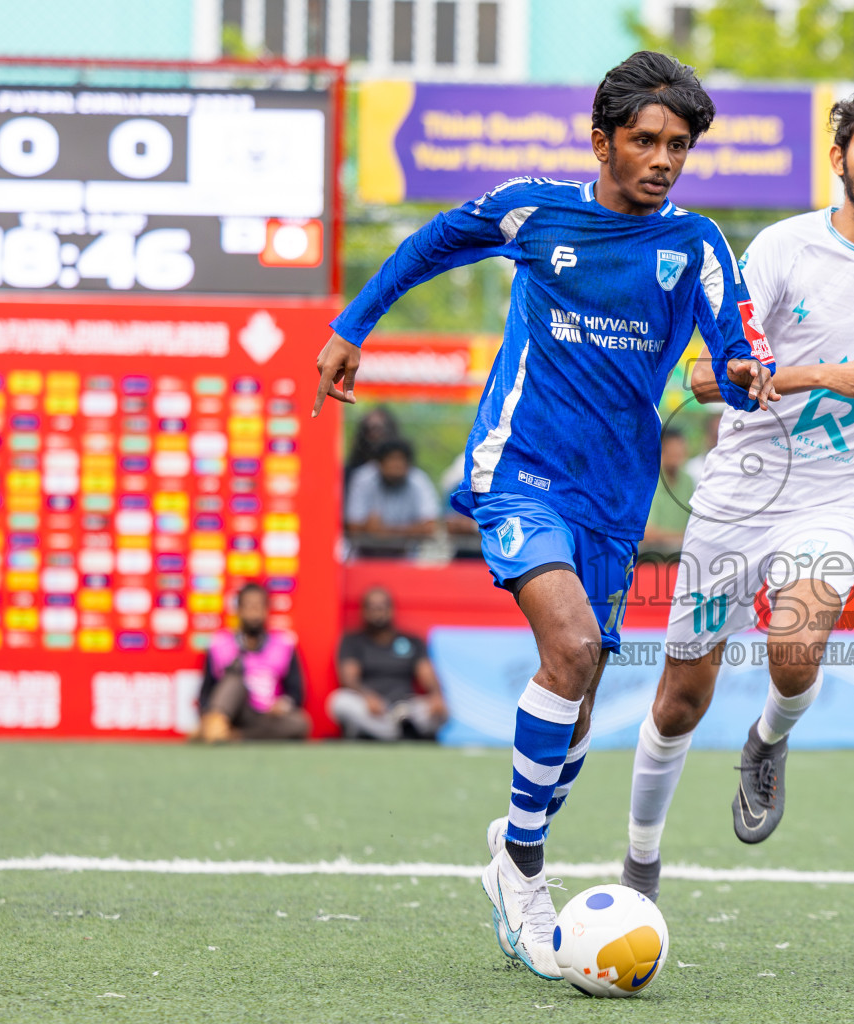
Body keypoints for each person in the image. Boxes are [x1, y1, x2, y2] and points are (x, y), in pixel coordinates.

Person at [312, 51, 779, 980]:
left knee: (584, 686)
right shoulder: (535, 208)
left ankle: (518, 831)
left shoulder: (697, 244)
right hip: (519, 469)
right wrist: (349, 329)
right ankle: (523, 870)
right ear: (601, 139)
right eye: (645, 140)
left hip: (615, 499)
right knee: (568, 649)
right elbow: (430, 243)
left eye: (678, 146)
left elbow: (733, 342)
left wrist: (746, 372)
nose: (662, 159)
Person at [619, 84, 854, 902]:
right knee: (678, 702)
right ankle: (640, 865)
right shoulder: (782, 250)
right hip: (739, 495)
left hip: (840, 495)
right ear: (840, 154)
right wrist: (825, 375)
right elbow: (707, 377)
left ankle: (769, 740)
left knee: (796, 646)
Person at [195, 583, 310, 742]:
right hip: (231, 711)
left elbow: (296, 694)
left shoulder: (283, 645)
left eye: (258, 606)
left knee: (300, 724)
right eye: (248, 606)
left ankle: (230, 735)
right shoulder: (221, 644)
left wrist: (282, 705)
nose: (253, 613)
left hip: (263, 716)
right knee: (234, 680)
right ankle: (215, 725)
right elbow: (206, 692)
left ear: (266, 610)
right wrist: (209, 712)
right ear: (239, 610)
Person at [329, 586, 448, 740]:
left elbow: (427, 675)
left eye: (382, 607)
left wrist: (436, 696)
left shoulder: (411, 641)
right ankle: (400, 732)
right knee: (339, 701)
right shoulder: (353, 641)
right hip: (373, 708)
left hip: (407, 705)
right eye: (372, 608)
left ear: (391, 609)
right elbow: (349, 679)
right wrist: (368, 697)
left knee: (438, 709)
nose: (378, 612)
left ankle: (386, 731)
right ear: (363, 611)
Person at [344, 439, 441, 553]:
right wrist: (412, 529)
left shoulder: (419, 480)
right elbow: (353, 526)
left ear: (408, 465)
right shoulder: (363, 478)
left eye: (400, 460)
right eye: (390, 460)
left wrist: (382, 531)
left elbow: (429, 527)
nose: (395, 466)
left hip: (405, 555)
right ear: (379, 464)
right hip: (366, 554)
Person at [643, 426, 695, 549]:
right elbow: (647, 533)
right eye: (672, 449)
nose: (677, 453)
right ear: (662, 451)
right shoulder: (650, 480)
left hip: (681, 554)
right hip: (649, 556)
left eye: (680, 449)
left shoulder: (688, 481)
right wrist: (682, 537)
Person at [345, 406, 399, 487]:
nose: (375, 435)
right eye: (369, 429)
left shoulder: (407, 474)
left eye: (379, 428)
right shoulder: (354, 474)